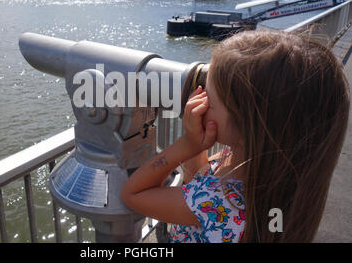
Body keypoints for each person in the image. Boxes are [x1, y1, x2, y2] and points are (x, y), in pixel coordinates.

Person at [120, 29, 350, 242]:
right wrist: (198, 145)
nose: (201, 101)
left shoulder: (217, 202)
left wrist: (186, 145)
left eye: (209, 96)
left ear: (246, 124)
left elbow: (134, 194)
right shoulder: (278, 177)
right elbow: (197, 182)